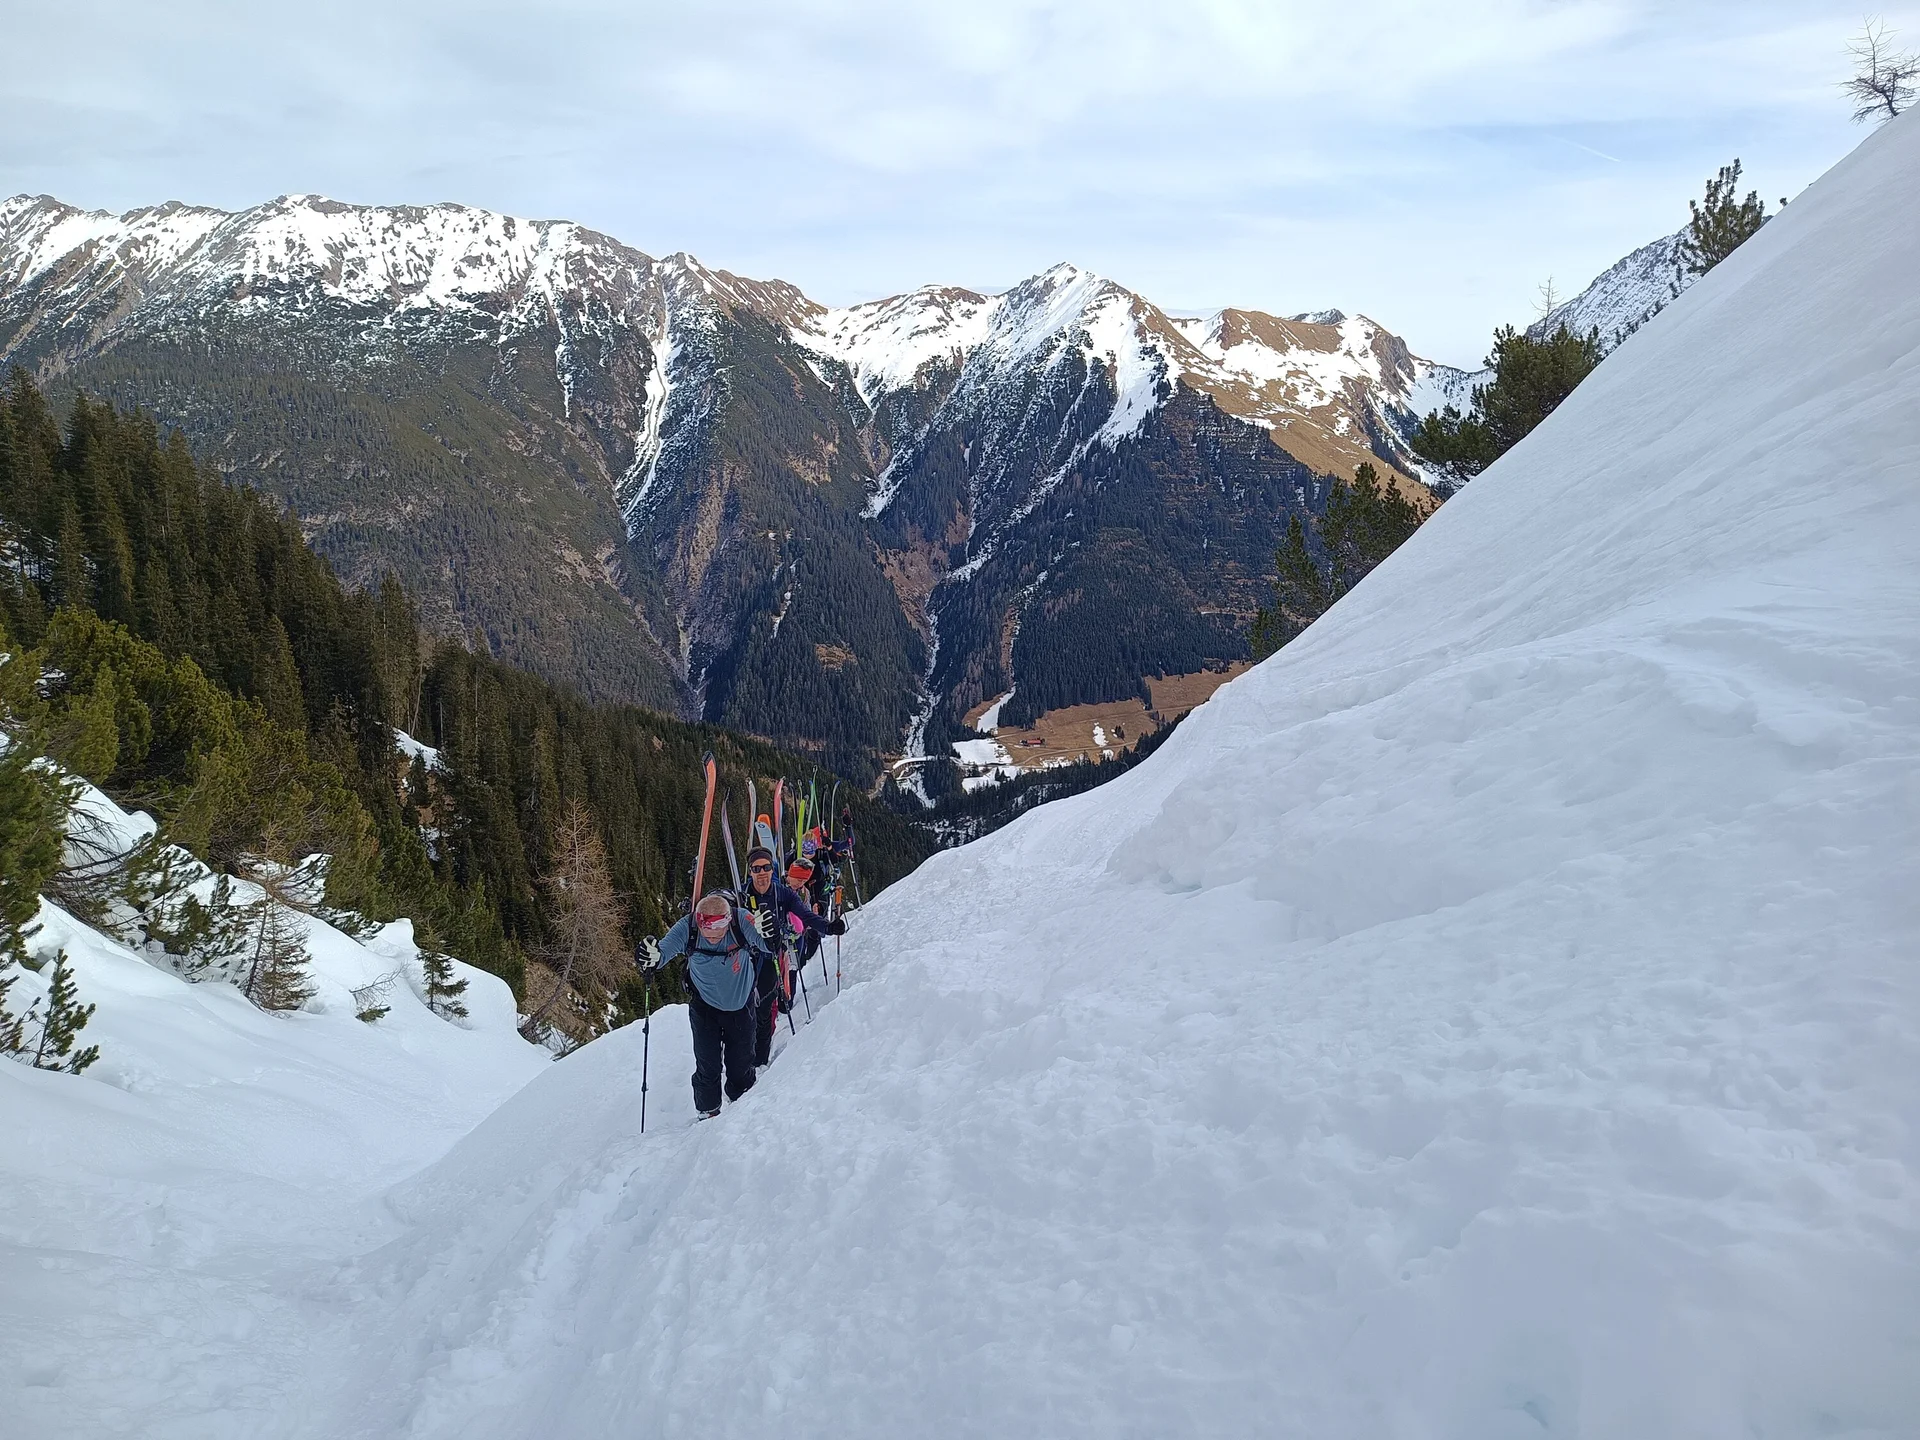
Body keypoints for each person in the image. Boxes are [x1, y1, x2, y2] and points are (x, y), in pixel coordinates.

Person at [653, 892, 771, 1118]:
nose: (715, 932)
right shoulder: (687, 928)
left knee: (741, 1063)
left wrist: (770, 935)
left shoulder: (741, 920)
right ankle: (708, 1113)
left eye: (722, 924)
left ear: (730, 918)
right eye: (708, 925)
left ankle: (742, 1108)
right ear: (698, 919)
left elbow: (764, 943)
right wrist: (651, 958)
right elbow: (663, 952)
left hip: (740, 1006)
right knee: (708, 1066)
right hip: (704, 1008)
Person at [741, 844, 844, 1063]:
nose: (761, 873)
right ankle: (740, 1055)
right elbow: (725, 904)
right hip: (743, 960)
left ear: (772, 869)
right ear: (750, 871)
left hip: (769, 959)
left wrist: (827, 927)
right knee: (743, 1010)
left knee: (764, 1011)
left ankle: (759, 1060)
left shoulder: (783, 894)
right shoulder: (741, 895)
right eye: (756, 868)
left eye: (766, 867)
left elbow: (805, 916)